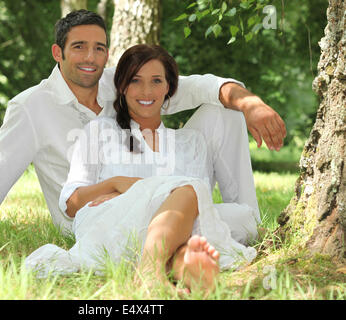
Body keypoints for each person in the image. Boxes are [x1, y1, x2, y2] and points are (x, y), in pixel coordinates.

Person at [0, 10, 286, 239]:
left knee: (223, 110)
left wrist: (249, 103)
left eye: (98, 48)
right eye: (78, 47)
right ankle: (200, 232)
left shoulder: (125, 83)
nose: (89, 58)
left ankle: (246, 225)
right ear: (58, 52)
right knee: (185, 217)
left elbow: (197, 87)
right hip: (96, 216)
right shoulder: (30, 107)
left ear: (107, 54)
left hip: (161, 196)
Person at [25, 44, 258, 291]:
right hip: (114, 224)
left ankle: (180, 262)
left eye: (156, 81)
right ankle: (151, 271)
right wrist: (116, 184)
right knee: (188, 190)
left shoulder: (191, 142)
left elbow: (198, 208)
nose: (146, 90)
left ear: (169, 87)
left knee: (242, 217)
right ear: (122, 87)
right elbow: (72, 204)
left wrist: (155, 193)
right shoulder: (101, 131)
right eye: (136, 80)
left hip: (172, 224)